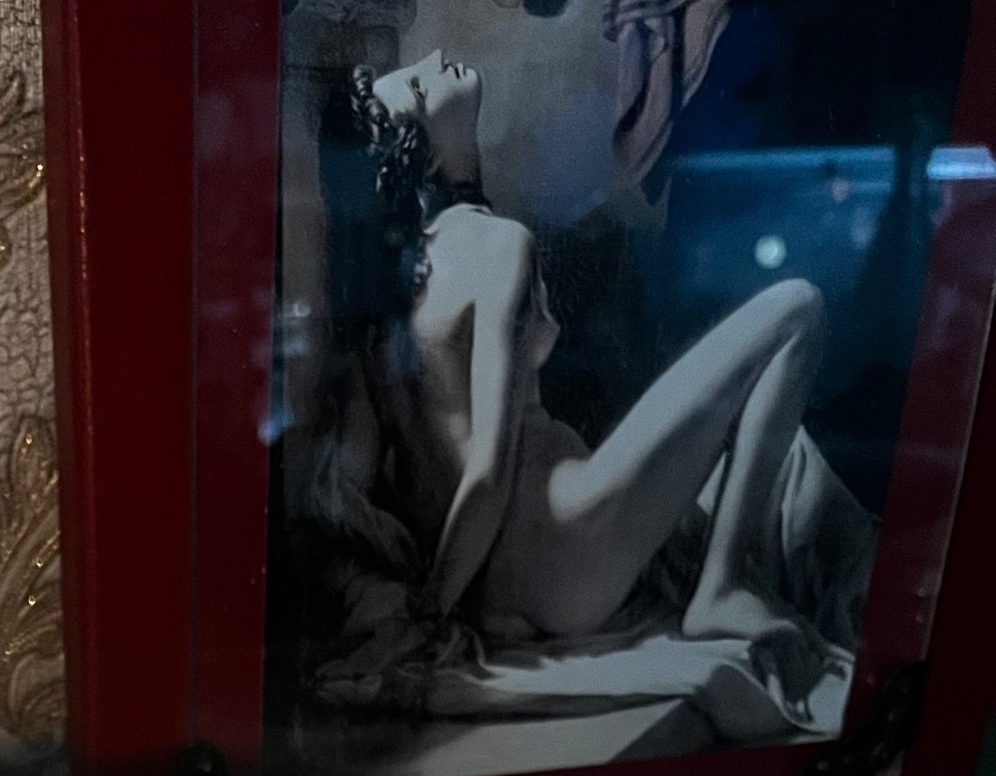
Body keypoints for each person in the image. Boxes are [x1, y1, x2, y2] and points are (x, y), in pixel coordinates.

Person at [332, 49, 845, 705]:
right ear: (422, 156)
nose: (434, 57)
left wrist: (437, 595)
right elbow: (488, 469)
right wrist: (430, 613)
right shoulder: (495, 245)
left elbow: (362, 484)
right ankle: (720, 588)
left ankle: (716, 576)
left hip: (494, 597)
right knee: (798, 307)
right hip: (567, 553)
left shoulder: (379, 303)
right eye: (421, 85)